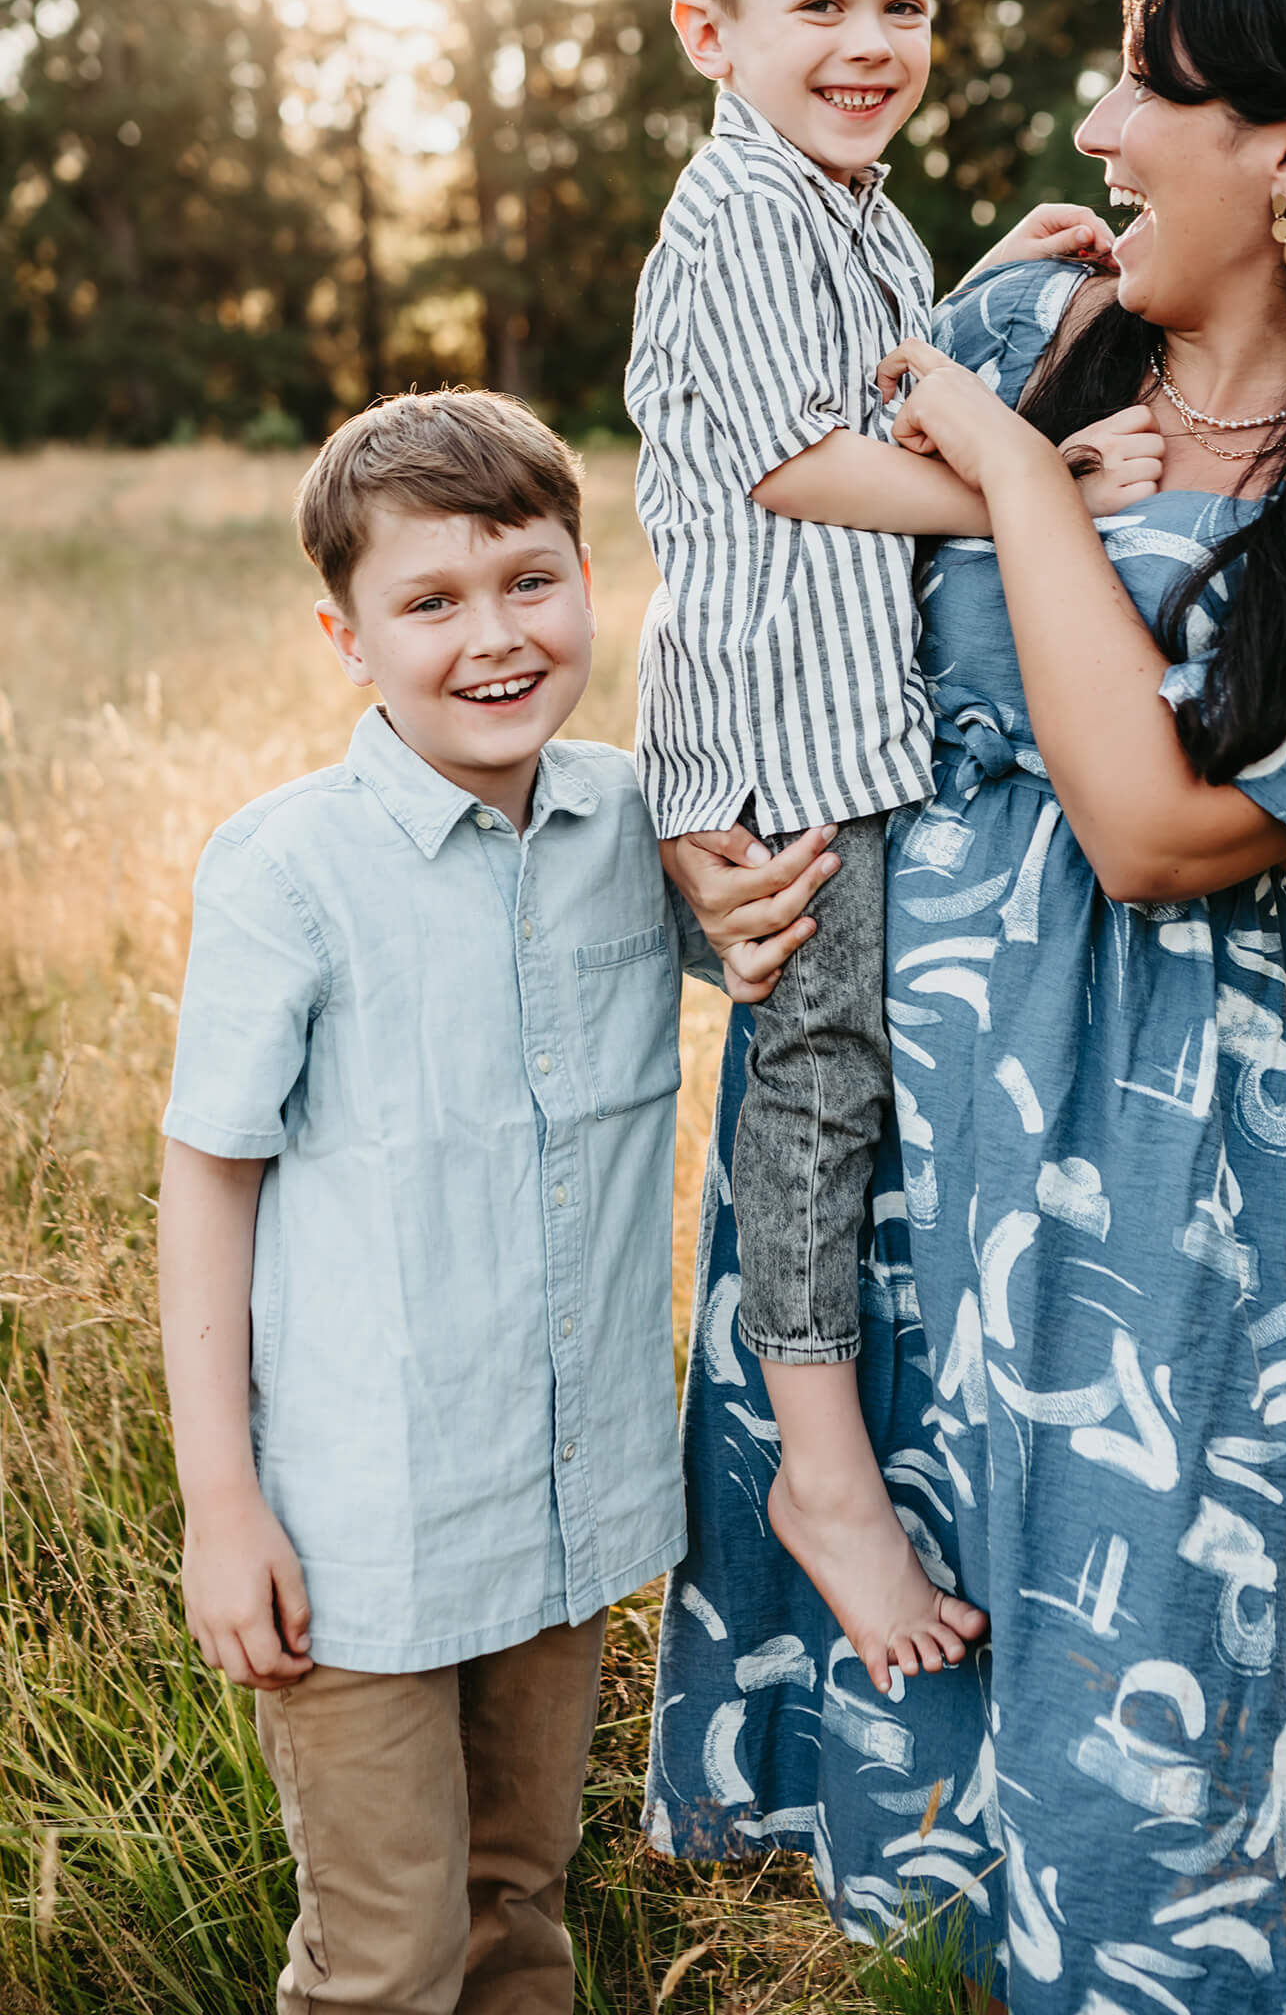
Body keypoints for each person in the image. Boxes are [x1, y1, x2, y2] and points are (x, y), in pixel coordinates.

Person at [645, 0, 1286, 2013]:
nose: (1088, 125)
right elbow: (759, 593)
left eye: (1144, 81)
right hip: (884, 1095)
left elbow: (1155, 828)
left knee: (1136, 1724)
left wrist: (1016, 491)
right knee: (910, 1700)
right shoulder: (1020, 337)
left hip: (1137, 1161)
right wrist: (700, 846)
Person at [154, 388, 802, 2015]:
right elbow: (207, 1185)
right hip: (355, 1540)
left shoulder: (633, 819)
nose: (495, 638)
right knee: (386, 1953)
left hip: (565, 1511)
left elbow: (765, 931)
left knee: (521, 1904)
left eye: (529, 581)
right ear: (346, 636)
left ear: (592, 580)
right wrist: (223, 1510)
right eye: (429, 603)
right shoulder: (286, 868)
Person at [625, 0, 1119, 1691]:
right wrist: (1035, 485)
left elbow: (870, 375)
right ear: (710, 36)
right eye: (818, 0)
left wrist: (977, 270)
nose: (869, 40)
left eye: (900, 2)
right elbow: (795, 459)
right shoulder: (740, 214)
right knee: (820, 1085)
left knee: (844, 1073)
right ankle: (821, 1473)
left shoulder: (850, 209)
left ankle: (843, 1429)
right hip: (783, 732)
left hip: (845, 720)